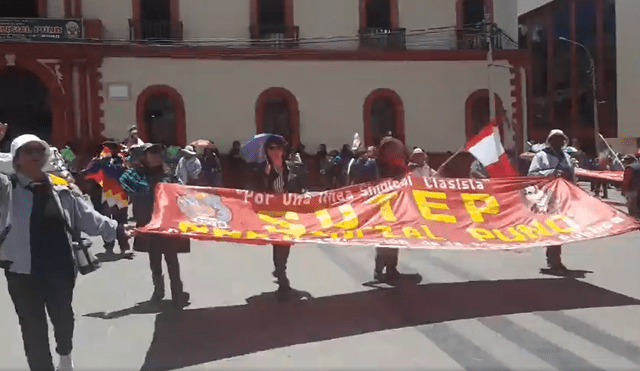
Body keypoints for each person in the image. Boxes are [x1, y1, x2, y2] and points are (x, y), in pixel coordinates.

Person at [0, 125, 129, 371]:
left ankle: (65, 356)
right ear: (15, 158)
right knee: (32, 326)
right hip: (21, 270)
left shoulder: (61, 188)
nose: (35, 155)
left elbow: (88, 217)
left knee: (63, 317)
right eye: (28, 151)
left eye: (39, 150)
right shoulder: (7, 189)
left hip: (60, 267)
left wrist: (118, 229)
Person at [120, 143, 190, 309]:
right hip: (148, 221)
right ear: (144, 156)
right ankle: (158, 290)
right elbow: (127, 186)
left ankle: (177, 293)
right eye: (152, 153)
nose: (156, 156)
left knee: (172, 258)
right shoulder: (135, 174)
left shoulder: (168, 173)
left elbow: (181, 190)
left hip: (167, 222)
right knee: (154, 258)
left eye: (158, 152)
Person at [252, 136, 301, 298]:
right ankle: (281, 276)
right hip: (272, 214)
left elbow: (299, 188)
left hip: (288, 212)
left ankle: (281, 269)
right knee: (278, 241)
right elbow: (257, 193)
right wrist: (265, 177)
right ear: (267, 151)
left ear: (282, 151)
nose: (275, 151)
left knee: (286, 242)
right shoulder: (263, 170)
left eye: (278, 148)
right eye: (271, 148)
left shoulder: (291, 168)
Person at [528, 129, 577, 275]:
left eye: (561, 139)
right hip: (547, 197)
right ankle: (554, 260)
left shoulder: (566, 157)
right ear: (550, 140)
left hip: (563, 197)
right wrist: (551, 173)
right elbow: (532, 174)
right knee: (553, 227)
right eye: (555, 139)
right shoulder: (541, 156)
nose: (559, 142)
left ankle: (554, 258)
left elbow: (572, 175)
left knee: (560, 228)